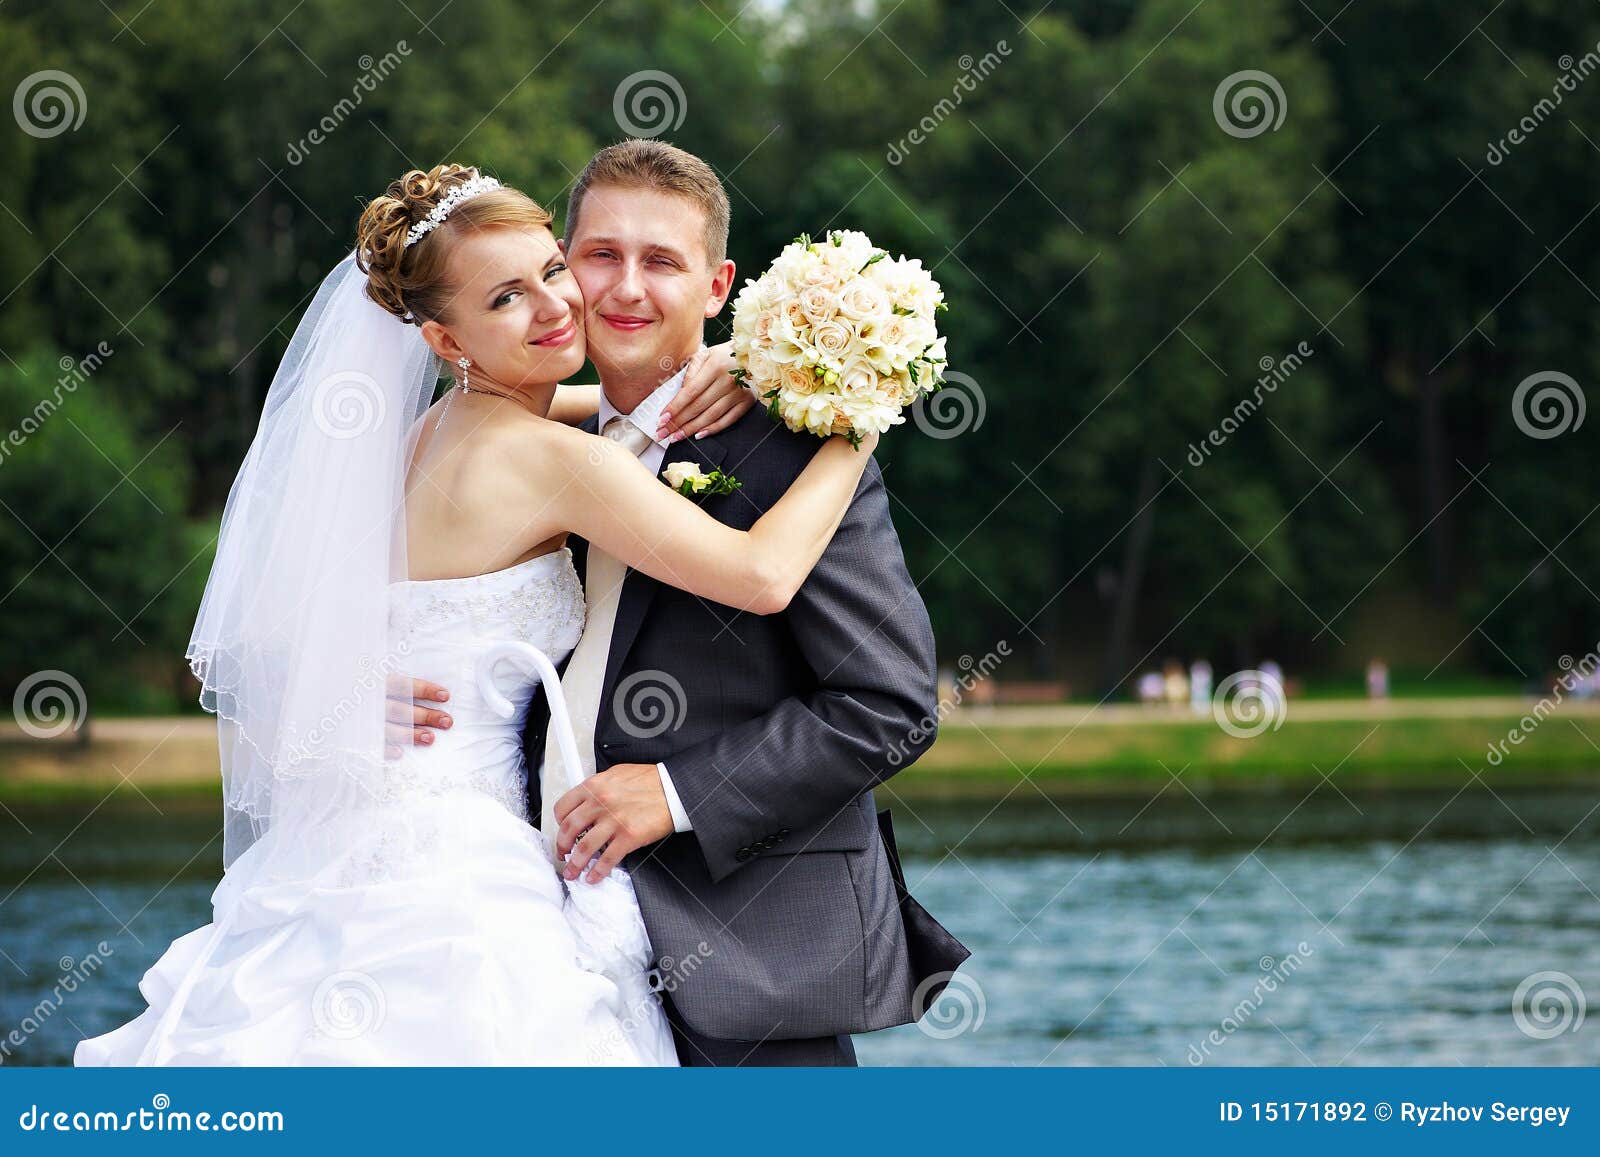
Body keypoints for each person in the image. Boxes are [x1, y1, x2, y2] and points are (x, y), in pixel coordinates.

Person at [75, 161, 888, 1066]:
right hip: (461, 869)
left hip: (352, 850)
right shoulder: (545, 460)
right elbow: (765, 574)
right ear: (444, 338)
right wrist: (856, 419)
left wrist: (738, 357)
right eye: (506, 298)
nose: (555, 308)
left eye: (547, 271)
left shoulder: (419, 440)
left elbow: (631, 408)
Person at [393, 141, 969, 1066]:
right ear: (563, 263)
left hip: (748, 954)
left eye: (661, 261)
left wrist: (675, 793)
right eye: (598, 255)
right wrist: (352, 685)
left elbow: (891, 705)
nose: (624, 287)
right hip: (524, 933)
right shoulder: (533, 433)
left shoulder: (797, 454)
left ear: (717, 287)